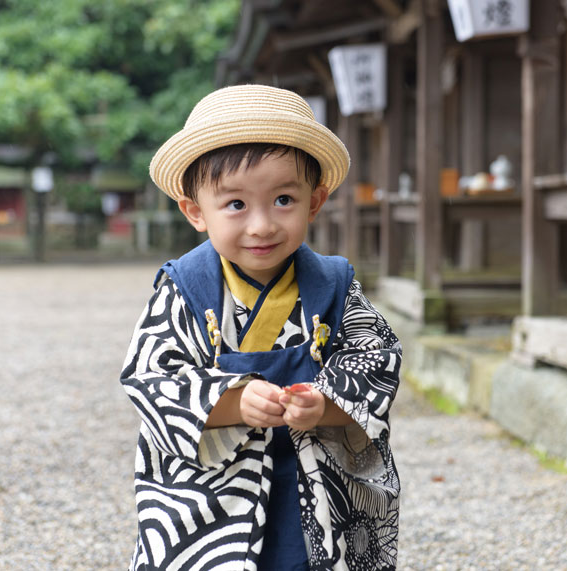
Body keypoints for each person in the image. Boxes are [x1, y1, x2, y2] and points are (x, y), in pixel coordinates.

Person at [120, 84, 401, 571]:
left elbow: (375, 357)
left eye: (284, 200)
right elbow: (151, 377)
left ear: (315, 202)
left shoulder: (333, 285)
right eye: (235, 205)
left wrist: (326, 403)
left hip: (316, 482)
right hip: (211, 496)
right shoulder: (185, 288)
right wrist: (231, 401)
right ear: (195, 212)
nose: (262, 225)